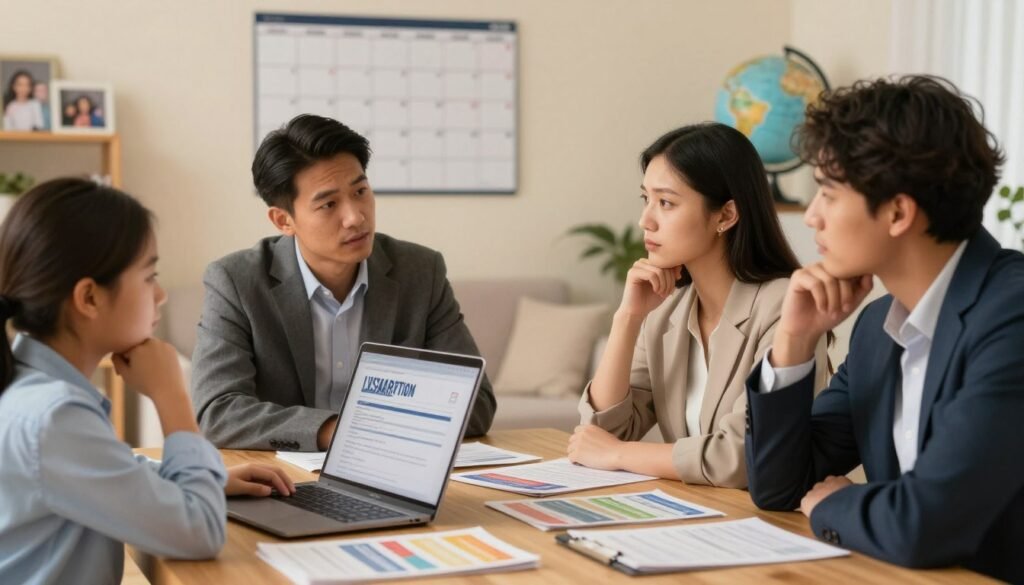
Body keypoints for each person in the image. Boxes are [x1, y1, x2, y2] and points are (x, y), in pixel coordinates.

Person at [744, 76, 1024, 582]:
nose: (811, 217)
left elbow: (927, 525)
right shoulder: (878, 326)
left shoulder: (1012, 316)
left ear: (898, 211)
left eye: (828, 193)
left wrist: (840, 503)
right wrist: (794, 341)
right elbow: (779, 489)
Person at [0, 178, 294, 584]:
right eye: (149, 276)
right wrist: (169, 393)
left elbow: (106, 470)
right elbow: (200, 532)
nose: (161, 295)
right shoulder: (54, 417)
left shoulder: (30, 389)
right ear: (89, 298)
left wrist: (211, 480)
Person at [192, 114, 497, 451]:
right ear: (284, 220)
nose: (356, 217)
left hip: (390, 476)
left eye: (360, 191)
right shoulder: (236, 282)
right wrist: (337, 431)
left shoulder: (421, 272)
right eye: (329, 204)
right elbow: (218, 412)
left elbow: (477, 403)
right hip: (284, 478)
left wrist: (372, 431)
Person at [567, 123, 829, 487]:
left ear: (725, 215)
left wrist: (618, 455)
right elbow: (602, 431)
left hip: (770, 522)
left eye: (666, 203)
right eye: (646, 199)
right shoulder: (664, 313)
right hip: (699, 513)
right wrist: (627, 318)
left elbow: (742, 456)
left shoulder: (785, 306)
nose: (646, 220)